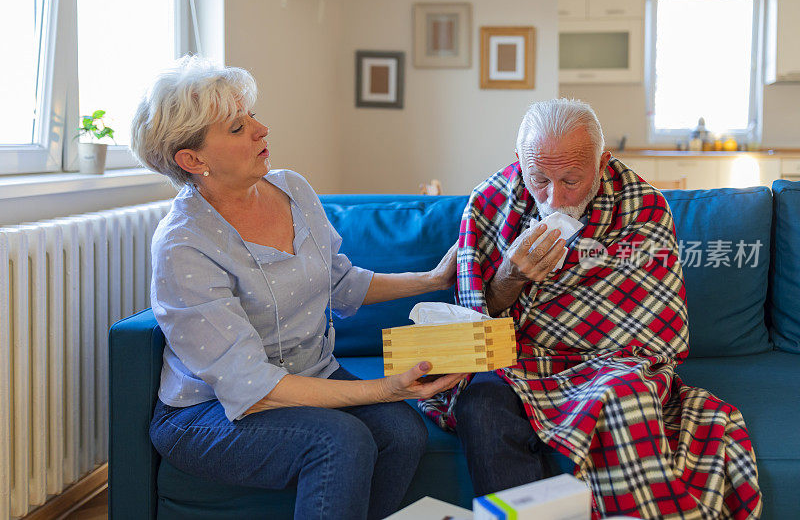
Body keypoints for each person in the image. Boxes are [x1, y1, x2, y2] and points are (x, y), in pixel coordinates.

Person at [130, 56, 466, 520]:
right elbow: (253, 387)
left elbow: (341, 283)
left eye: (250, 115)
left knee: (404, 432)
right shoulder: (182, 244)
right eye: (236, 127)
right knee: (340, 441)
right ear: (193, 159)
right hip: (211, 412)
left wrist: (432, 280)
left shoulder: (292, 189)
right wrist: (385, 388)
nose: (261, 128)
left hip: (311, 374)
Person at [420, 98, 762, 519]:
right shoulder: (490, 204)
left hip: (612, 361)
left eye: (571, 180)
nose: (554, 197)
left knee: (625, 401)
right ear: (518, 162)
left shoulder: (643, 207)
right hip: (516, 360)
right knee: (480, 406)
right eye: (539, 179)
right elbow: (472, 327)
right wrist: (511, 276)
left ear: (603, 163)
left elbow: (655, 332)